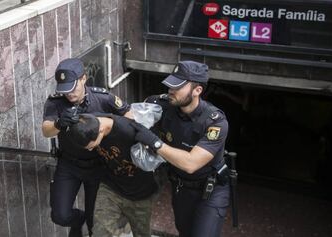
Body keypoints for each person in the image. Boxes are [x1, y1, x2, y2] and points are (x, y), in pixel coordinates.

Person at [131, 61, 230, 237]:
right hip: (181, 187)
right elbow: (129, 115)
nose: (170, 90)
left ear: (197, 90)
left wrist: (155, 143)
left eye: (177, 87)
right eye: (170, 84)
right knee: (185, 231)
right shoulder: (163, 104)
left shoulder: (215, 122)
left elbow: (191, 163)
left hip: (211, 189)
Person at [42, 58, 132, 237]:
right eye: (64, 89)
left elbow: (129, 118)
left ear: (83, 78)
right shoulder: (56, 102)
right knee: (60, 215)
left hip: (99, 167)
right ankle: (78, 220)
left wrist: (107, 130)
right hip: (69, 165)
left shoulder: (103, 98)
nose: (69, 94)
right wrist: (59, 123)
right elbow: (46, 130)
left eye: (72, 88)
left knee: (95, 224)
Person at [68, 113, 158, 237]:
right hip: (111, 187)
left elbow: (156, 159)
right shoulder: (90, 121)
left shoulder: (128, 132)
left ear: (101, 130)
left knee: (142, 234)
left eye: (92, 146)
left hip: (140, 193)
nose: (91, 150)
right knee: (100, 232)